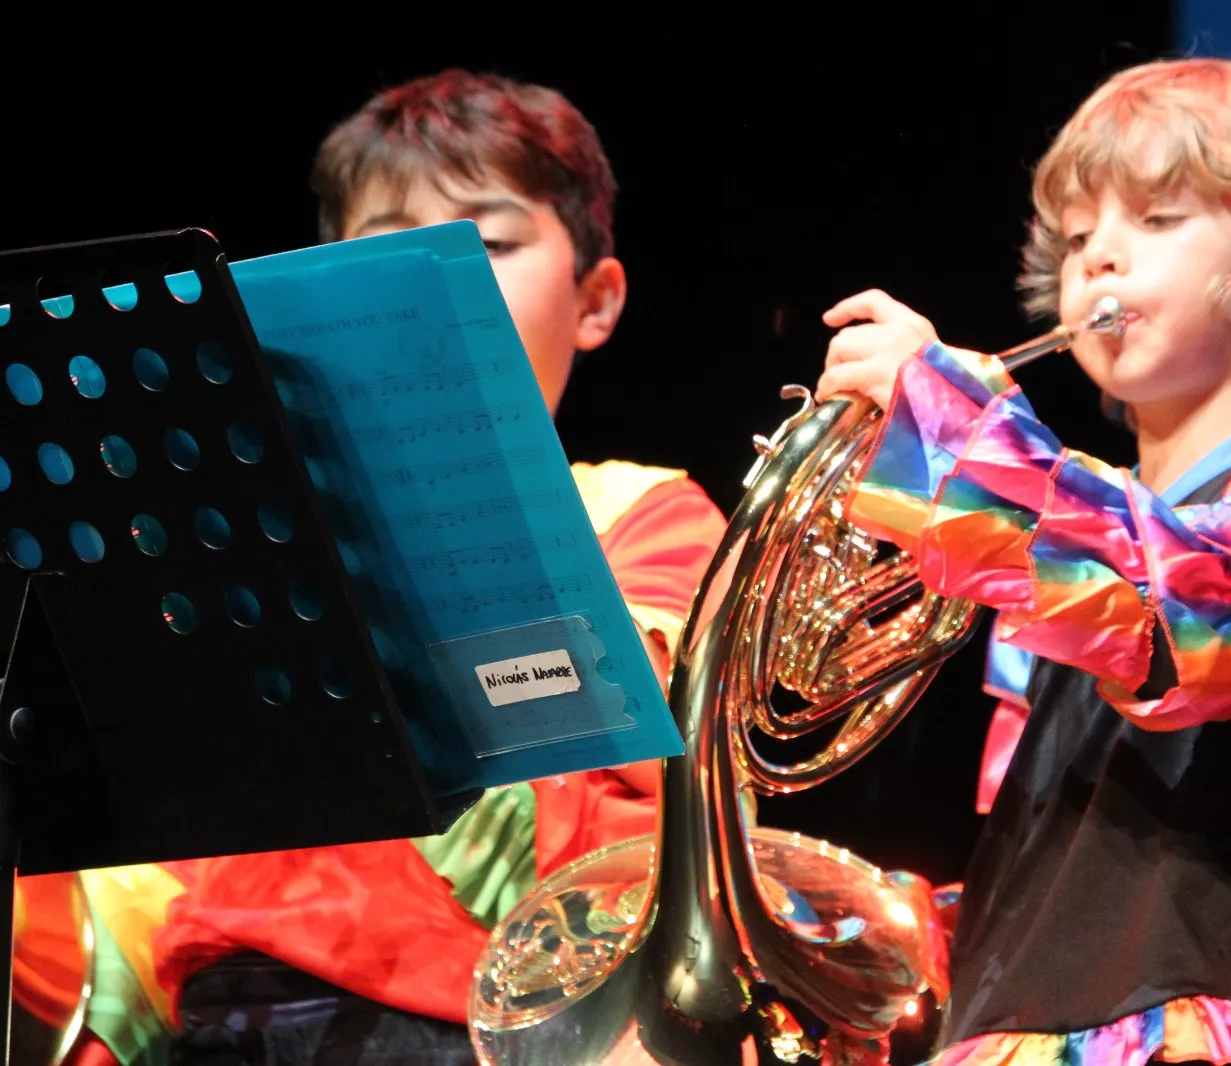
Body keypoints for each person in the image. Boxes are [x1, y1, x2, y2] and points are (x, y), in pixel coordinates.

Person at [44, 70, 727, 1066]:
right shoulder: (230, 520)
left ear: (596, 298)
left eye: (488, 243)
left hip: (498, 1015)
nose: (432, 283)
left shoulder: (644, 509)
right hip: (227, 1006)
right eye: (387, 249)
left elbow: (618, 772)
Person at [815, 58, 1231, 1066]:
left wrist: (957, 439)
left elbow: (1205, 613)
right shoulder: (1069, 545)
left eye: (1157, 220)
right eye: (1081, 237)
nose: (1097, 261)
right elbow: (1047, 895)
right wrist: (830, 920)